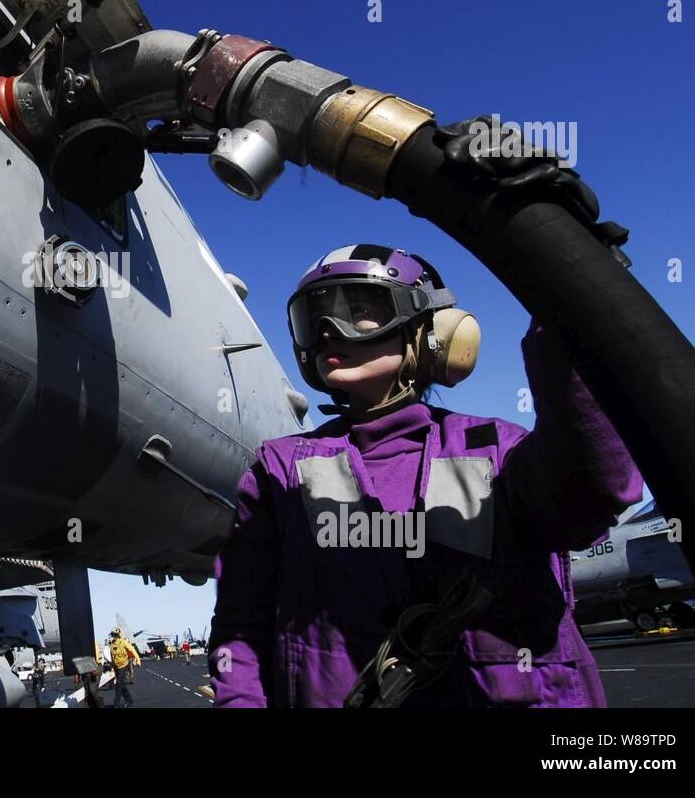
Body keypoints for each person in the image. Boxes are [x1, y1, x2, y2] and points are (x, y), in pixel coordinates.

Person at [208, 244, 641, 708]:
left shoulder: (495, 449)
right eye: (313, 318)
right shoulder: (280, 470)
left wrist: (571, 310)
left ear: (431, 331)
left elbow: (594, 491)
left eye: (359, 311)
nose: (328, 333)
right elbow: (242, 624)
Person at [109, 628, 142, 707]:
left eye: (115, 634)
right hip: (116, 666)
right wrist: (111, 667)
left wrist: (138, 659)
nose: (113, 636)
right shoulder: (112, 645)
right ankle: (129, 700)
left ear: (118, 635)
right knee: (122, 685)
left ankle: (116, 704)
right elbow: (112, 657)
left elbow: (132, 650)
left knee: (118, 685)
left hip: (123, 665)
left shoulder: (123, 642)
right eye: (112, 634)